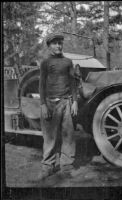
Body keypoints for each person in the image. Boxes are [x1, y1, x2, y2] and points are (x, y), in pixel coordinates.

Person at [39, 32, 78, 178]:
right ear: (49, 46)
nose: (58, 46)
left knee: (68, 136)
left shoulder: (68, 62)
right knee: (49, 137)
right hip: (49, 103)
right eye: (55, 43)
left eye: (60, 43)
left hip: (66, 102)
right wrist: (43, 105)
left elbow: (73, 82)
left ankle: (66, 166)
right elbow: (41, 85)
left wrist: (74, 101)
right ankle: (48, 166)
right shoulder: (45, 63)